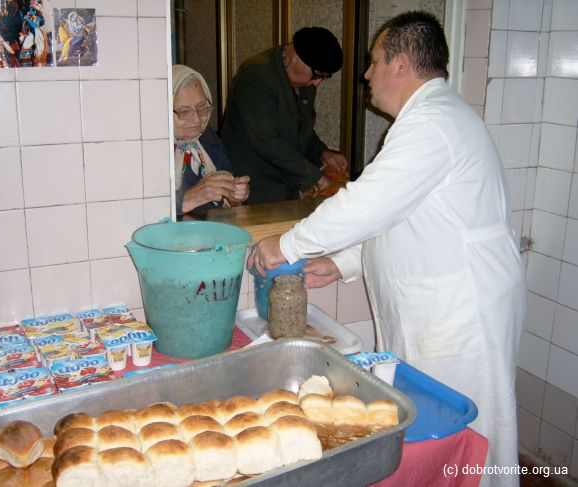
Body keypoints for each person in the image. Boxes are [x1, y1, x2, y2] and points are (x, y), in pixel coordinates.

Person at [249, 11, 526, 487]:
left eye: (375, 60)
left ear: (401, 64)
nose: (366, 73)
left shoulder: (434, 124)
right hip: (440, 304)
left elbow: (367, 203)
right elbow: (400, 216)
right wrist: (339, 263)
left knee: (468, 437)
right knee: (427, 428)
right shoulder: (425, 123)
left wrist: (287, 243)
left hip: (460, 310)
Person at [221, 27, 348, 204]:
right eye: (317, 75)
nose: (317, 83)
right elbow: (267, 141)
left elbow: (301, 129)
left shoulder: (305, 82)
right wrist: (318, 179)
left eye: (323, 77)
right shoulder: (256, 74)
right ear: (296, 56)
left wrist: (323, 154)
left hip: (285, 184)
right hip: (251, 187)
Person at [172, 65, 250, 215]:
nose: (196, 120)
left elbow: (227, 195)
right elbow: (142, 208)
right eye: (184, 111)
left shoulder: (207, 138)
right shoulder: (151, 147)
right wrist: (187, 199)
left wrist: (234, 195)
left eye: (202, 107)